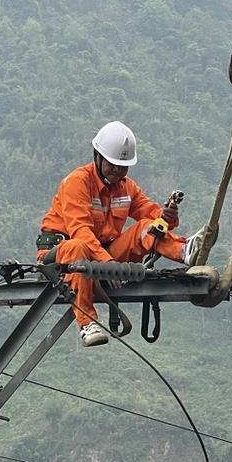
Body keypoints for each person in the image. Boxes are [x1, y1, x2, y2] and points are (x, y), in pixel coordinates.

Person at [36, 121, 193, 347]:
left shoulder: (126, 187)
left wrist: (167, 215)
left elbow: (149, 214)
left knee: (147, 227)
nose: (118, 171)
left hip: (101, 256)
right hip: (63, 256)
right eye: (113, 165)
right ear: (98, 157)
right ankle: (87, 323)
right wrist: (107, 264)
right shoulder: (77, 182)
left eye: (123, 166)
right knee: (79, 246)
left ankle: (185, 251)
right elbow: (80, 230)